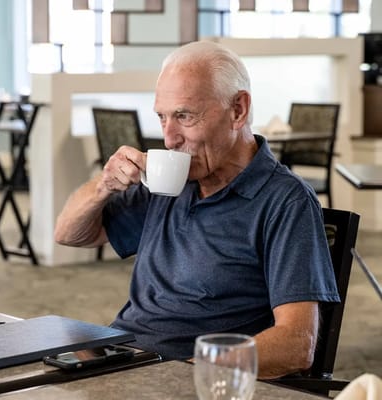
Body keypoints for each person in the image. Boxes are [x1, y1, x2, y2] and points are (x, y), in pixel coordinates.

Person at [54, 40, 340, 379]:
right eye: (162, 117)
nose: (170, 138)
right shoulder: (168, 181)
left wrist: (187, 374)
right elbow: (69, 234)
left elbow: (296, 344)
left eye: (185, 116)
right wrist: (104, 185)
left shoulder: (286, 201)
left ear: (238, 110)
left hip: (188, 376)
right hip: (124, 358)